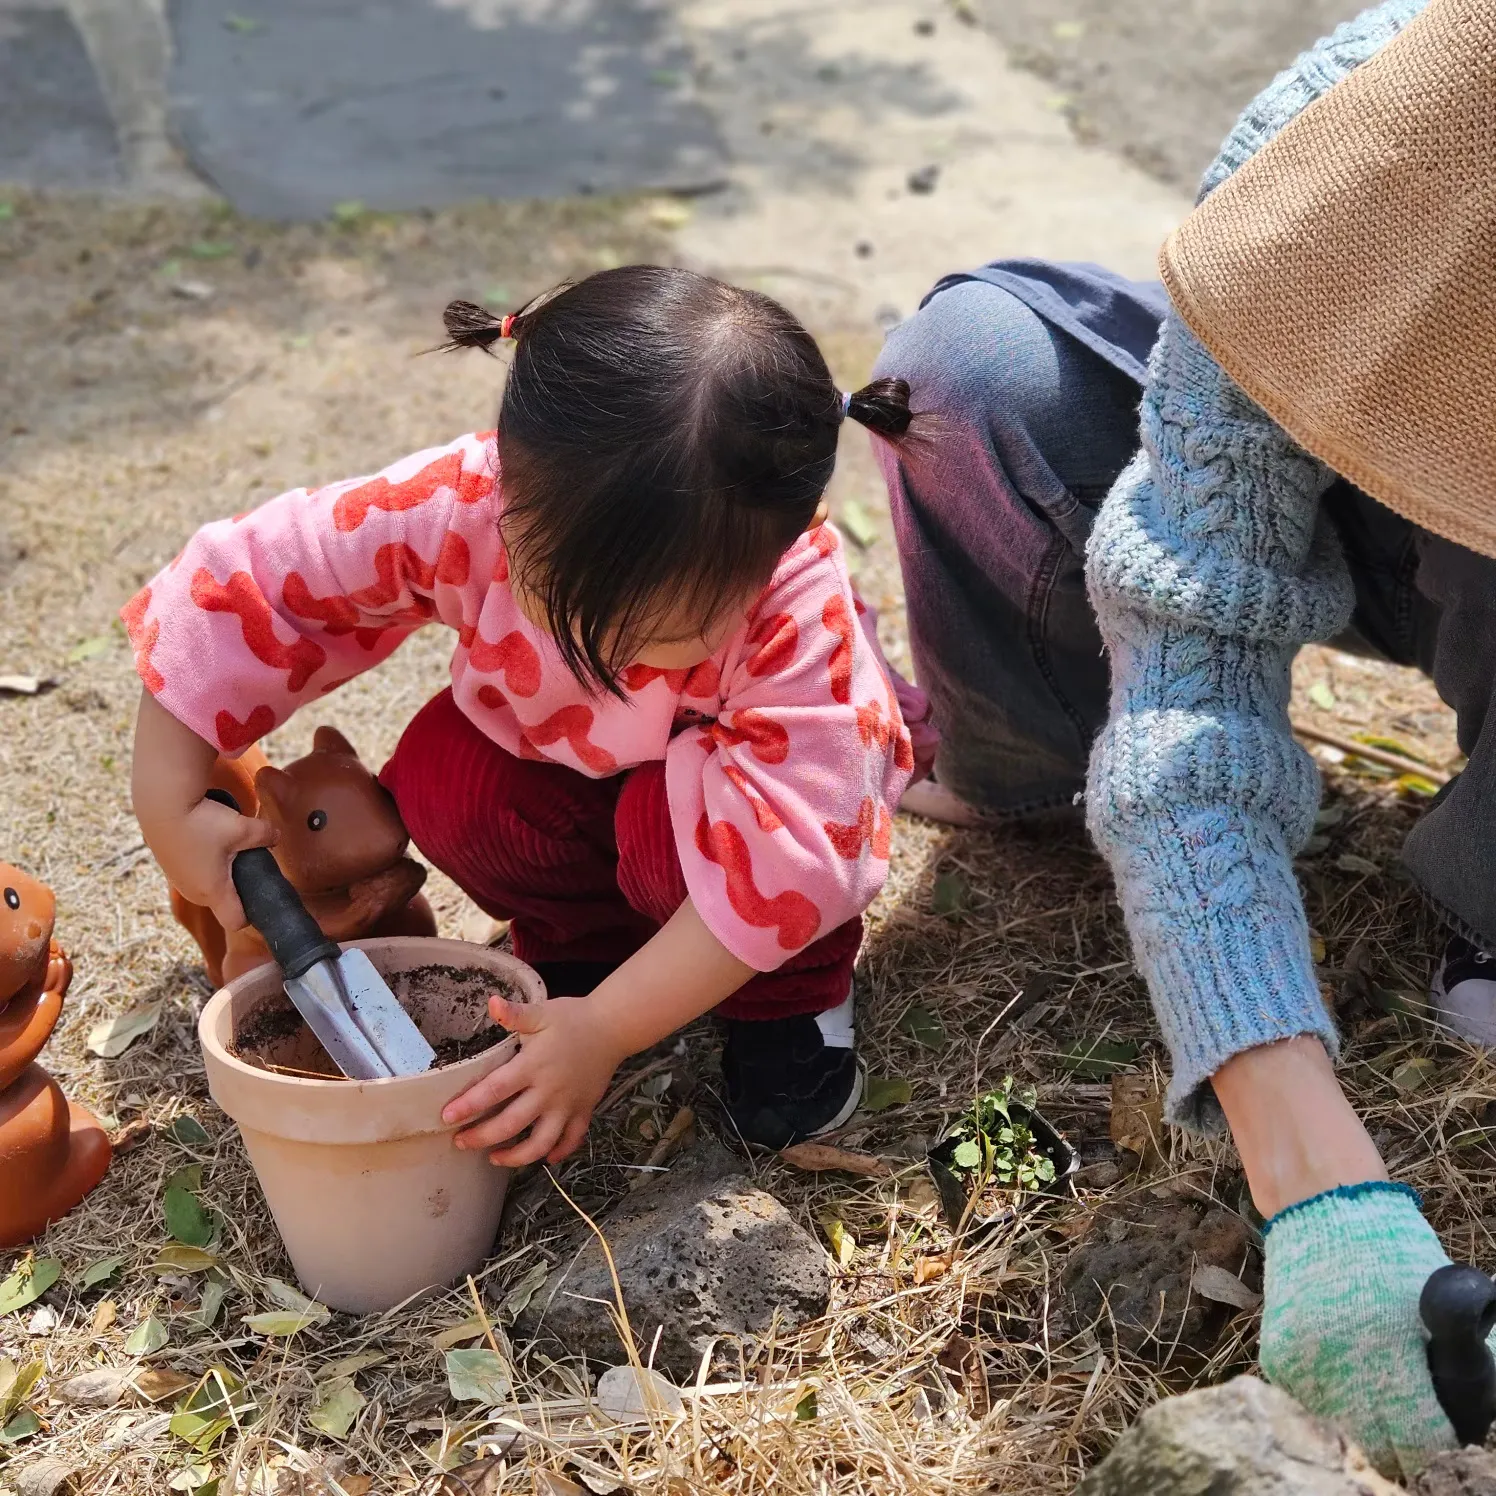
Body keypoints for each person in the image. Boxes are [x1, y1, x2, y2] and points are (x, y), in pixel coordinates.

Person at [874, 0, 1494, 1476]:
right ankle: (1025, 767)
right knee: (975, 370)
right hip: (1368, 490)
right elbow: (1191, 680)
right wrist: (1311, 1174)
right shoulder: (1346, 148)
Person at [126, 265, 936, 1162]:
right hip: (569, 775)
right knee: (445, 774)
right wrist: (167, 802)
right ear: (510, 481)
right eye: (556, 595)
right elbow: (249, 584)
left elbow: (793, 856)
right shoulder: (478, 500)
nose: (601, 647)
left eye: (654, 629)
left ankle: (787, 1003)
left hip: (719, 825)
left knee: (668, 839)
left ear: (785, 542)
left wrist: (607, 1032)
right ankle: (585, 947)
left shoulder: (796, 610)